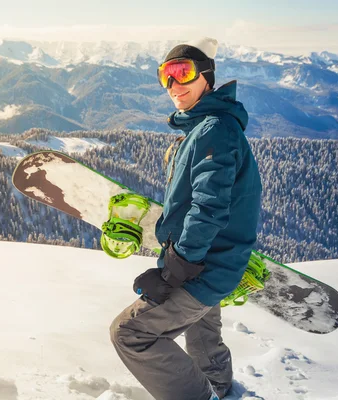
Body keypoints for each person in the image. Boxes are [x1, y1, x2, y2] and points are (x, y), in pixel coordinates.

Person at [109, 37, 262, 400]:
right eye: (166, 75)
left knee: (130, 334)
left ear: (206, 77)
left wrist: (176, 269)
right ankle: (221, 388)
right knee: (202, 327)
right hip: (212, 262)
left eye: (183, 72)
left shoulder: (214, 130)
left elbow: (209, 206)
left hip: (200, 266)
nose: (174, 84)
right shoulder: (207, 128)